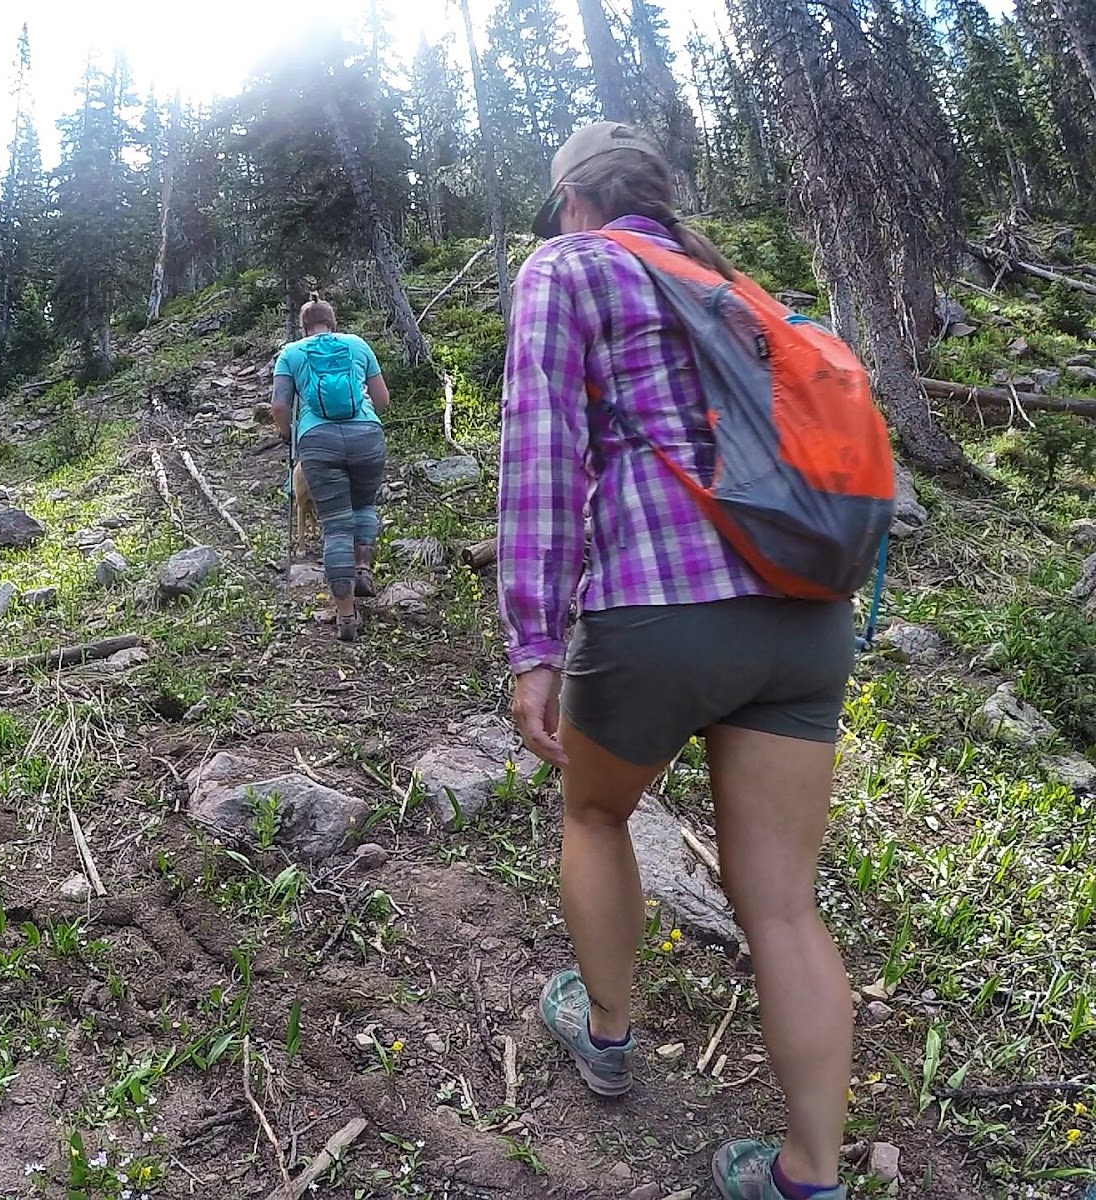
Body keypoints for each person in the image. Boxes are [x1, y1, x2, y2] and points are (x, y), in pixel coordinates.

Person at [497, 121, 857, 1200]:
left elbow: (540, 453)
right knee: (784, 907)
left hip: (658, 605)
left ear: (571, 198)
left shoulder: (567, 265)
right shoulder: (728, 284)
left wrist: (531, 640)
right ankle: (810, 1174)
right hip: (803, 612)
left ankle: (605, 1033)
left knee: (596, 814)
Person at [272, 293, 391, 643]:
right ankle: (363, 568)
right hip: (366, 434)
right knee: (365, 506)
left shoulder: (291, 354)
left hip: (317, 440)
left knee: (336, 526)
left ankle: (345, 615)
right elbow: (382, 398)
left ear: (303, 326)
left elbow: (280, 405)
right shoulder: (356, 344)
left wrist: (288, 433)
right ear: (333, 321)